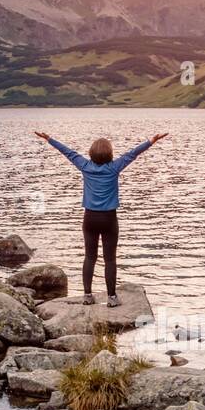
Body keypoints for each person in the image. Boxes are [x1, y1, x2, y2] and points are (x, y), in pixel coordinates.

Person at [35, 130, 168, 306]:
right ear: (110, 153)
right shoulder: (114, 167)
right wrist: (151, 141)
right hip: (109, 219)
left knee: (90, 257)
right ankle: (112, 298)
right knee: (110, 259)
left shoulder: (85, 165)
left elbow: (68, 152)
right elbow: (133, 153)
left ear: (91, 153)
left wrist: (49, 139)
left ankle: (87, 296)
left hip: (89, 219)